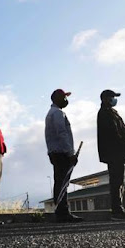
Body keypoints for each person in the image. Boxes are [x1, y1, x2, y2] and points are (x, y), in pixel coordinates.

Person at [97, 89, 125, 220]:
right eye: (112, 97)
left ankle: (118, 209)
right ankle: (117, 211)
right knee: (116, 181)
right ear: (105, 99)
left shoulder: (111, 112)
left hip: (117, 153)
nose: (114, 99)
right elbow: (113, 135)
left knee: (119, 181)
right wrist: (122, 150)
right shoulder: (105, 113)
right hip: (114, 154)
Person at [45, 89, 82, 222]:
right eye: (63, 97)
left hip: (57, 152)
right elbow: (62, 133)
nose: (66, 99)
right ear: (56, 98)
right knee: (62, 183)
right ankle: (62, 213)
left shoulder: (52, 113)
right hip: (61, 153)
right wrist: (70, 153)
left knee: (60, 182)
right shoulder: (58, 113)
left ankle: (62, 211)